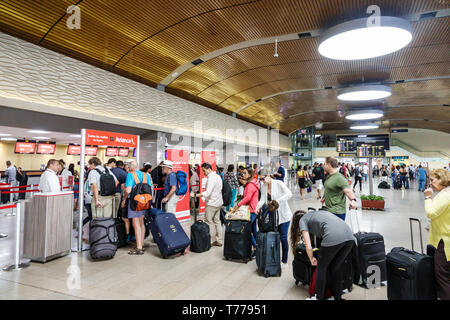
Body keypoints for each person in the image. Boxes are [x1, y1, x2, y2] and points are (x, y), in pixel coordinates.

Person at [290, 210, 355, 300]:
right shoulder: (316, 214)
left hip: (333, 236)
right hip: (350, 237)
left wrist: (311, 258)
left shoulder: (302, 221)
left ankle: (319, 297)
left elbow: (308, 245)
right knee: (335, 267)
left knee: (321, 268)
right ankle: (337, 297)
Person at [257, 168, 293, 264]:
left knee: (283, 237)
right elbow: (262, 200)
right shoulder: (263, 186)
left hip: (284, 215)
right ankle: (274, 258)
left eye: (263, 179)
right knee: (273, 237)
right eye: (260, 179)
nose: (262, 181)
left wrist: (278, 201)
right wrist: (257, 207)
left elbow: (289, 194)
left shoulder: (278, 183)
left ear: (268, 176)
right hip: (273, 217)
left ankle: (284, 260)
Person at [424, 169, 449, 300]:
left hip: (444, 241)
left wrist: (428, 198)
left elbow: (432, 212)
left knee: (442, 275)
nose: (430, 183)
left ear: (442, 179)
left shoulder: (445, 194)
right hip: (444, 239)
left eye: (433, 180)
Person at [121, 160, 152, 255]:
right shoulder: (145, 175)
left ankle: (138, 248)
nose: (126, 169)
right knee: (141, 222)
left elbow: (128, 190)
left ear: (129, 167)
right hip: (145, 201)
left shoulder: (131, 174)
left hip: (134, 203)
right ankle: (141, 244)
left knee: (135, 224)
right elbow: (150, 188)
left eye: (126, 167)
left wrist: (124, 199)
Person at [192, 163, 223, 247]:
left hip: (212, 203)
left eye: (204, 170)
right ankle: (219, 240)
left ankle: (208, 241)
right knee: (217, 221)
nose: (203, 172)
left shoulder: (211, 178)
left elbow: (208, 192)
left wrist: (196, 195)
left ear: (209, 169)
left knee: (207, 222)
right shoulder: (217, 176)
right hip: (218, 202)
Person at [231, 167, 260, 255]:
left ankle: (255, 248)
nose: (243, 174)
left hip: (251, 210)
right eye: (242, 173)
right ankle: (258, 246)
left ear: (250, 175)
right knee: (254, 229)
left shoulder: (251, 185)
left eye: (245, 173)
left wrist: (238, 205)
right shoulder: (253, 183)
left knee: (247, 230)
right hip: (253, 209)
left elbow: (248, 198)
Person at [322, 157, 358, 221]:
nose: (323, 165)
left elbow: (347, 190)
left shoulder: (339, 178)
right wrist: (325, 197)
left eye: (324, 163)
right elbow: (330, 187)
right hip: (329, 210)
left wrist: (353, 200)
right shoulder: (329, 176)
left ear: (329, 165)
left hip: (337, 212)